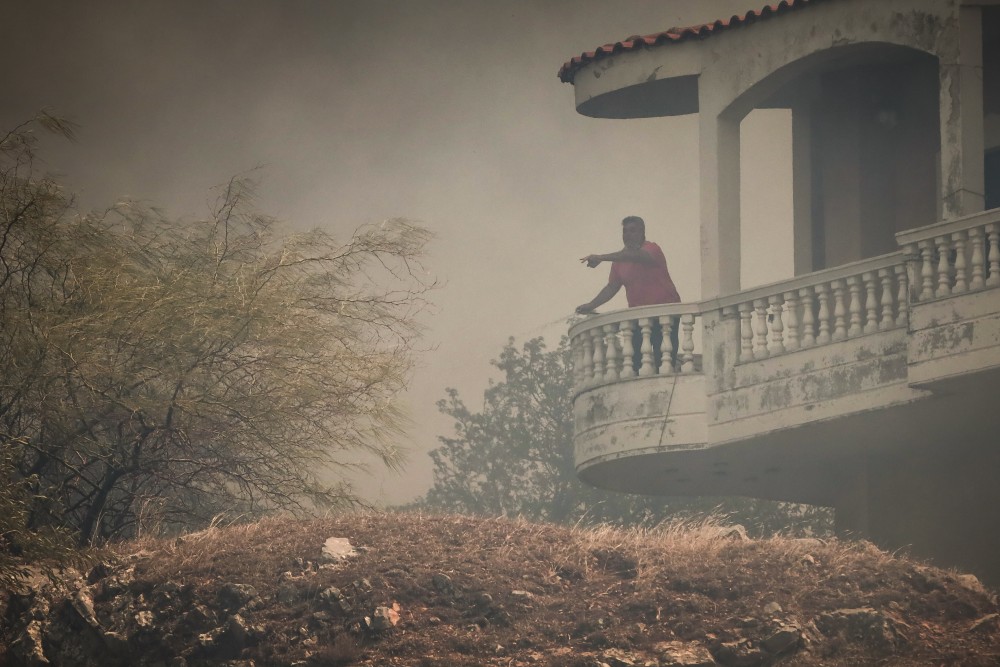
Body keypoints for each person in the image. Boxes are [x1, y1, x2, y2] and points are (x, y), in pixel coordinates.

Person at [576, 215, 681, 370]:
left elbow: (635, 255)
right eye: (625, 231)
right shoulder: (619, 261)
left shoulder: (652, 249)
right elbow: (611, 287)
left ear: (642, 232)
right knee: (635, 362)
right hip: (638, 316)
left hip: (664, 314)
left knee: (663, 360)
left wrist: (600, 257)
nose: (627, 235)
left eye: (632, 231)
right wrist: (591, 305)